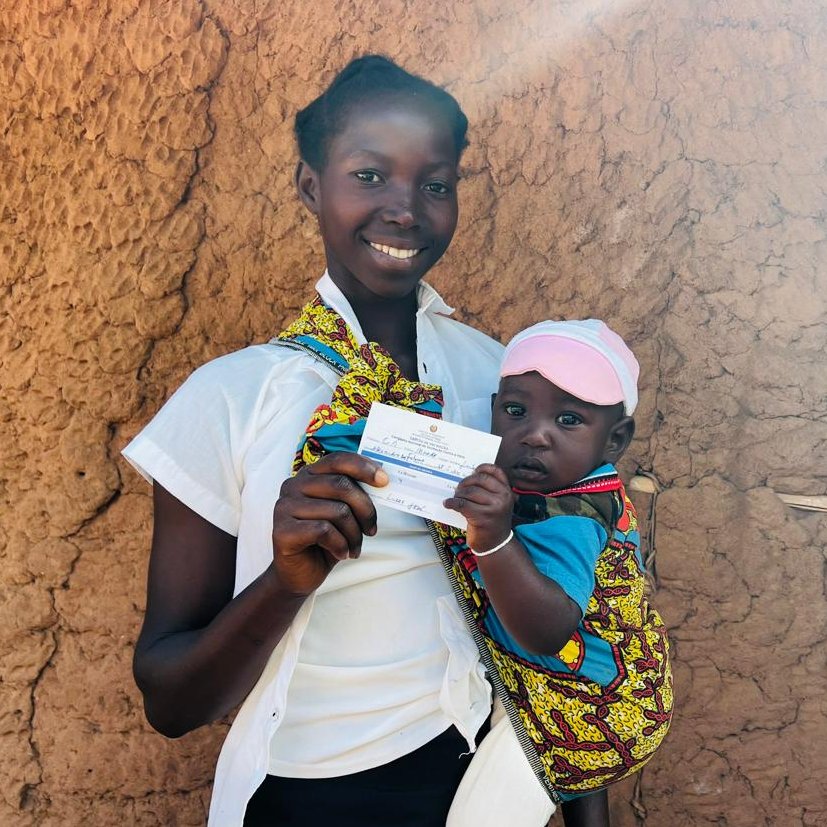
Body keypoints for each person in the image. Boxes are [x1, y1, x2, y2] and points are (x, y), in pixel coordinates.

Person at [123, 55, 504, 826]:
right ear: (309, 186)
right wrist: (284, 580)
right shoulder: (233, 398)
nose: (405, 209)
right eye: (369, 175)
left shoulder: (498, 379)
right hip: (310, 796)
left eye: (435, 184)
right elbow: (170, 699)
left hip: (487, 785)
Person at [443, 320, 673, 827]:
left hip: (596, 709)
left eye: (569, 419)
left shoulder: (573, 517)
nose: (535, 435)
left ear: (615, 441)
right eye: (516, 411)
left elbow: (546, 632)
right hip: (607, 691)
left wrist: (494, 538)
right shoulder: (562, 485)